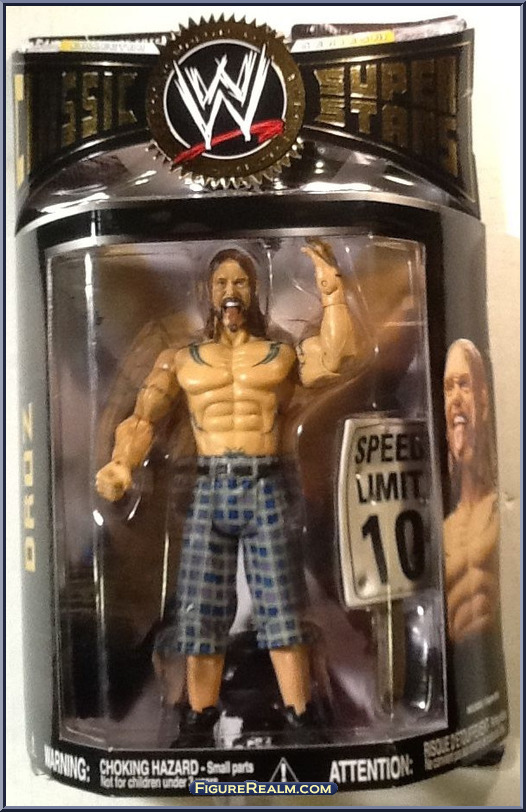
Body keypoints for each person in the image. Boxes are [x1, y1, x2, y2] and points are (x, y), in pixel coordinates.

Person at [96, 240, 357, 745]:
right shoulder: (182, 359)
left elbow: (334, 359)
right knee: (201, 611)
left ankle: (302, 715)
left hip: (266, 485)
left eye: (240, 282)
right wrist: (121, 464)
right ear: (209, 292)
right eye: (222, 283)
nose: (231, 291)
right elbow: (144, 418)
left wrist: (332, 293)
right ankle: (198, 720)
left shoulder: (278, 354)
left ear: (253, 291)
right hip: (209, 487)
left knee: (282, 607)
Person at [443, 339, 500, 645]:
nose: (455, 398)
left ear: (484, 401)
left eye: (464, 385)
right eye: (448, 388)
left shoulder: (502, 510)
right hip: (460, 661)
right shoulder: (445, 528)